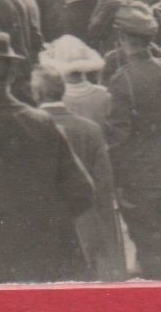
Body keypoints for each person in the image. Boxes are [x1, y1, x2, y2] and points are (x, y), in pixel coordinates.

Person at [0, 32, 94, 284]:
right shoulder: (42, 121)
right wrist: (44, 221)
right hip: (54, 256)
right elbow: (82, 191)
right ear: (12, 75)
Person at [104, 4, 161, 281]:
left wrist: (115, 178)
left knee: (146, 243)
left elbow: (118, 138)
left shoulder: (122, 81)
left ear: (120, 37)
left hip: (139, 170)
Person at [31, 66, 127, 283]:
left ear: (36, 94)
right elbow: (104, 184)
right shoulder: (90, 129)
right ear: (63, 91)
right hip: (87, 223)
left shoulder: (28, 130)